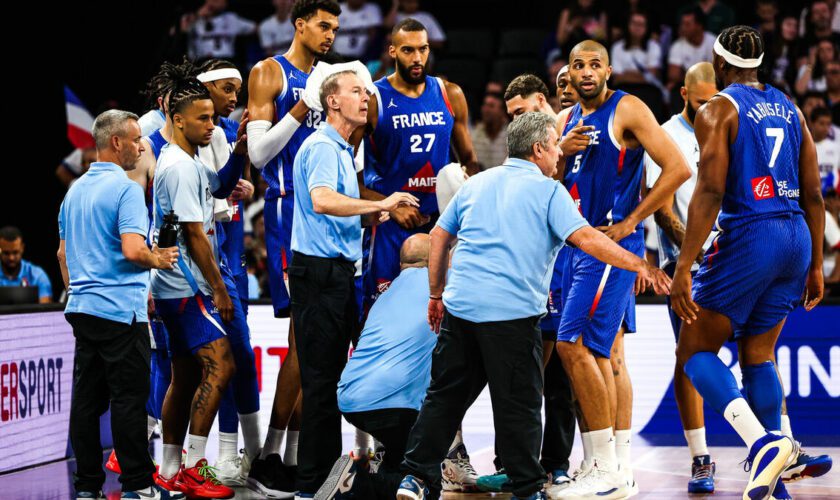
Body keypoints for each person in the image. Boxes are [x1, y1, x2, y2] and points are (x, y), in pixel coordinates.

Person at [396, 112, 670, 500]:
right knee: (520, 405)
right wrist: (640, 263)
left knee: (444, 396)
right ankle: (527, 488)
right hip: (510, 316)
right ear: (539, 148)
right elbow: (589, 240)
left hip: (460, 309)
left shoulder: (478, 184)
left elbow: (438, 235)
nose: (560, 153)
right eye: (556, 144)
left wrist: (436, 293)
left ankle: (416, 479)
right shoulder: (549, 191)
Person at [670, 25, 827, 500]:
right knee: (758, 354)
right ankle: (779, 468)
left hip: (750, 235)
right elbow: (816, 193)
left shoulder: (717, 108)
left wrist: (684, 264)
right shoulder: (793, 108)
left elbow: (712, 191)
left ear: (719, 65)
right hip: (796, 237)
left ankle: (762, 445)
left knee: (693, 354)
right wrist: (817, 264)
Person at [552, 40, 691, 499]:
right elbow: (548, 185)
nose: (586, 72)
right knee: (603, 356)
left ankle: (610, 468)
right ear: (567, 75)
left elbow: (677, 168)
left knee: (576, 347)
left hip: (608, 247)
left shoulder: (627, 108)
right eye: (578, 66)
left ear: (609, 70)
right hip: (575, 247)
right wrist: (561, 154)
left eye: (595, 64)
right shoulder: (567, 121)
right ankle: (605, 465)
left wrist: (633, 221)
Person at [289, 68, 418, 498]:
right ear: (332, 101)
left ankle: (326, 480)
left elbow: (336, 206)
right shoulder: (325, 146)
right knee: (323, 382)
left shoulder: (342, 150)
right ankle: (313, 484)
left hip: (337, 274)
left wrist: (373, 212)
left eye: (367, 92)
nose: (367, 98)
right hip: (321, 275)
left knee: (330, 380)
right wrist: (380, 202)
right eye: (357, 92)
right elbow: (322, 200)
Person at [245, 1, 341, 495]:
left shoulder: (336, 74)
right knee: (306, 340)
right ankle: (268, 456)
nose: (330, 34)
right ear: (299, 24)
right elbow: (259, 154)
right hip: (287, 212)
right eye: (323, 25)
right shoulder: (268, 73)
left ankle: (299, 455)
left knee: (322, 341)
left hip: (328, 213)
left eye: (335, 28)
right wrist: (304, 105)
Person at [58, 109, 178, 499]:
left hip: (82, 309)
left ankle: (88, 487)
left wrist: (81, 293)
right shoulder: (126, 189)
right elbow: (132, 249)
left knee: (87, 402)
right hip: (120, 313)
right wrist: (157, 257)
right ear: (116, 143)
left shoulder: (73, 190)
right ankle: (137, 486)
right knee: (128, 401)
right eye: (135, 139)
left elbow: (62, 255)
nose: (141, 146)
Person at [150, 73, 247, 499]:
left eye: (213, 117)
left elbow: (219, 188)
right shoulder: (179, 169)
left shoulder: (185, 162)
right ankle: (193, 466)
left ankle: (169, 468)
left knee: (185, 376)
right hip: (188, 289)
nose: (211, 125)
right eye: (202, 118)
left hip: (173, 289)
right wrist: (220, 291)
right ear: (177, 119)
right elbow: (194, 235)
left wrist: (240, 150)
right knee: (222, 365)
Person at [353, 18, 478, 307]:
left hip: (440, 223)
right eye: (408, 50)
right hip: (388, 224)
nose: (418, 58)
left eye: (423, 49)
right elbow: (346, 175)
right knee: (377, 313)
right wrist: (390, 205)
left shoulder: (450, 94)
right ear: (392, 51)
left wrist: (462, 199)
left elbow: (470, 161)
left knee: (441, 314)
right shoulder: (373, 99)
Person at [313, 234, 435, 500]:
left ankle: (360, 480)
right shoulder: (438, 291)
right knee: (424, 483)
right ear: (433, 260)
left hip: (351, 398)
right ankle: (355, 479)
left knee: (397, 463)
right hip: (396, 404)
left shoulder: (385, 296)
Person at [645, 61, 720, 493]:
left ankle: (778, 446)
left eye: (715, 101)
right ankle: (701, 459)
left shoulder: (729, 122)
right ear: (684, 95)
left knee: (756, 352)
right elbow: (663, 207)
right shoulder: (666, 134)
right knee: (689, 358)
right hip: (688, 262)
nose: (709, 109)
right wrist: (695, 252)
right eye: (701, 102)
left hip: (738, 258)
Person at [194, 58, 263, 487]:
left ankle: (247, 454)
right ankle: (181, 456)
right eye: (226, 88)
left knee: (234, 356)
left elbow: (229, 189)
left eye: (237, 89)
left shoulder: (222, 133)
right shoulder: (166, 138)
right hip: (189, 264)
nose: (234, 97)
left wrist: (246, 181)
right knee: (189, 363)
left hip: (225, 258)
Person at [181, 0, 256, 61]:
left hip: (226, 60)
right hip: (199, 62)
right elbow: (175, 33)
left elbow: (256, 28)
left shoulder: (231, 18)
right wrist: (196, 15)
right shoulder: (192, 18)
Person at [0, 227, 53, 303]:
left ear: (22, 248)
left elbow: (45, 310)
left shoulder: (38, 276)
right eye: (6, 253)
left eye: (15, 252)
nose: (11, 258)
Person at [667, 8, 716, 89]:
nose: (683, 28)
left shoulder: (714, 43)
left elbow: (721, 74)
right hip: (688, 88)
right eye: (682, 24)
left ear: (699, 26)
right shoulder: (677, 45)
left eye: (687, 24)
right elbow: (673, 76)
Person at [609, 12, 662, 86]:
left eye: (641, 25)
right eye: (634, 24)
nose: (637, 28)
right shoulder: (617, 47)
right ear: (627, 25)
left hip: (647, 89)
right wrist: (641, 76)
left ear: (647, 28)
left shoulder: (654, 47)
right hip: (624, 89)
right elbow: (617, 78)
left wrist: (626, 74)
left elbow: (651, 77)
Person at [470, 92, 509, 171]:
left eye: (491, 106)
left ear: (502, 112)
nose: (486, 110)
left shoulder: (510, 136)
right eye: (485, 105)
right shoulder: (473, 135)